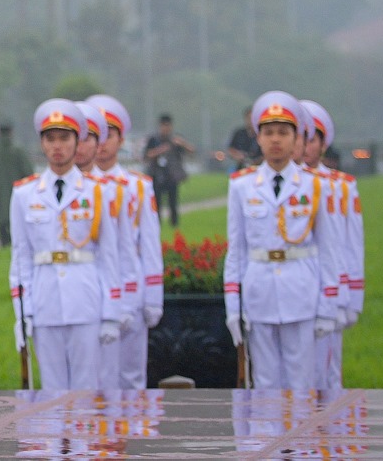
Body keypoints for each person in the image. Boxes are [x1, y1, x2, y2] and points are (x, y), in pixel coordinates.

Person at [223, 91, 342, 390]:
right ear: (258, 138)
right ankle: (266, 438)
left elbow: (329, 249)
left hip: (301, 290)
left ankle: (299, 438)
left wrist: (329, 307)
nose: (275, 139)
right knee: (263, 381)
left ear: (296, 139)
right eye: (268, 132)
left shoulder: (316, 185)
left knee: (301, 380)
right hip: (259, 290)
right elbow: (236, 250)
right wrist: (232, 307)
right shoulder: (242, 185)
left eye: (283, 133)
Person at [8, 99, 121, 392]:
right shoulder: (24, 194)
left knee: (85, 388)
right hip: (45, 300)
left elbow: (108, 256)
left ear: (77, 141)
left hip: (85, 298)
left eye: (64, 138)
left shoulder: (97, 192)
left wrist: (111, 313)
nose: (57, 146)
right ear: (42, 144)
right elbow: (21, 257)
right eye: (50, 139)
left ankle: (83, 440)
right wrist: (23, 312)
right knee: (52, 391)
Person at [87, 95, 163, 390]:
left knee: (130, 376)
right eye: (97, 134)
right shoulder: (80, 186)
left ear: (122, 139)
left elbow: (150, 244)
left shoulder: (137, 186)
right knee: (93, 377)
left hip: (131, 288)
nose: (103, 142)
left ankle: (129, 436)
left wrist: (153, 297)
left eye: (111, 134)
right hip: (91, 290)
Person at [298, 99, 361, 390]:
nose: (305, 146)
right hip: (294, 287)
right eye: (301, 138)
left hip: (332, 289)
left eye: (312, 139)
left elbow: (349, 245)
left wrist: (351, 298)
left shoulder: (340, 185)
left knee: (327, 371)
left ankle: (329, 434)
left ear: (323, 144)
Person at [0, 122, 31, 248]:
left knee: (1, 214)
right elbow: (27, 171)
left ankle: (4, 241)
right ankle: (17, 241)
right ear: (11, 132)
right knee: (17, 215)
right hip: (18, 189)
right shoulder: (18, 151)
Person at [142, 114, 194, 226]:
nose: (166, 128)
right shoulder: (154, 139)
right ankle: (157, 224)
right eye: (163, 126)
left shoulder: (175, 140)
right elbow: (146, 155)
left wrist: (182, 143)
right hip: (157, 174)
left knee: (173, 203)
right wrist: (160, 150)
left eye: (168, 126)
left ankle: (174, 225)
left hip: (172, 175)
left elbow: (192, 151)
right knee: (157, 203)